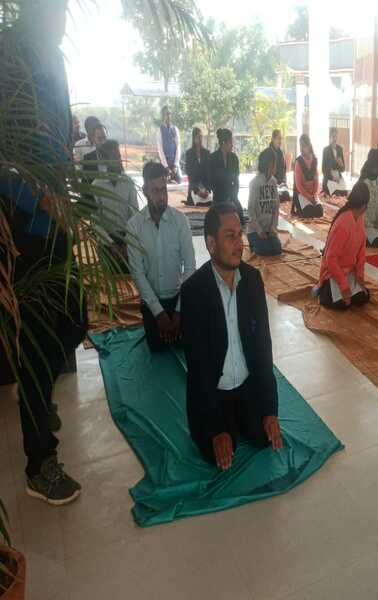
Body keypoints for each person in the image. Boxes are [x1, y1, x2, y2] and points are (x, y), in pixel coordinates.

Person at [0, 0, 88, 505]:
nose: (62, 18)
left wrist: (66, 196)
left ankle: (35, 390)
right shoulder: (9, 56)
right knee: (35, 343)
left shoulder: (52, 59)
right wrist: (38, 197)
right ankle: (40, 464)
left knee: (76, 318)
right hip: (23, 227)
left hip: (58, 221)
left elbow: (59, 139)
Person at [181, 203, 283, 469]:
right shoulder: (193, 292)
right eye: (230, 236)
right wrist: (215, 428)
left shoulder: (252, 280)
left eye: (240, 234)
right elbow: (198, 368)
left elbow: (263, 349)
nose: (240, 244)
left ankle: (246, 416)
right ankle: (220, 424)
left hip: (248, 387)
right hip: (214, 392)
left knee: (263, 438)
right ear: (211, 244)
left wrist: (270, 409)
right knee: (215, 453)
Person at [127, 162, 196, 353]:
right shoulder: (134, 226)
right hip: (152, 302)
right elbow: (138, 274)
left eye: (163, 189)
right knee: (157, 347)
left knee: (184, 344)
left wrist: (179, 311)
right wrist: (159, 314)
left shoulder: (180, 221)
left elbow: (190, 267)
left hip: (178, 298)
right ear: (145, 191)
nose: (162, 196)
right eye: (155, 191)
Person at [316, 182, 370, 310]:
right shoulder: (343, 224)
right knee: (342, 305)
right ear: (364, 206)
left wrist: (360, 277)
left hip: (349, 272)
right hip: (333, 274)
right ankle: (321, 289)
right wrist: (344, 286)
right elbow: (331, 259)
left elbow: (361, 252)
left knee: (363, 298)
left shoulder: (359, 218)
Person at [91, 139, 139, 271]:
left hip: (127, 237)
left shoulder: (128, 182)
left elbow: (135, 215)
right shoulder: (97, 185)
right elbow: (95, 222)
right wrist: (111, 244)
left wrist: (127, 242)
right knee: (111, 272)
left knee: (132, 271)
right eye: (115, 157)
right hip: (107, 240)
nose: (119, 160)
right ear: (105, 160)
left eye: (119, 156)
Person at [247, 148, 282, 256]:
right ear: (269, 164)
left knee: (277, 249)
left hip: (268, 230)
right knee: (264, 250)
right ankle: (253, 243)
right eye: (274, 163)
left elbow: (276, 207)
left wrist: (273, 227)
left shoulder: (273, 182)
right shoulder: (255, 183)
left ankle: (261, 243)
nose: (276, 165)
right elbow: (251, 209)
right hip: (255, 230)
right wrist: (259, 230)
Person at [209, 128, 244, 219]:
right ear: (224, 143)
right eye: (231, 142)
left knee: (240, 219)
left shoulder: (234, 158)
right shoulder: (213, 158)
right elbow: (211, 181)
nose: (232, 145)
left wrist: (233, 196)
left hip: (232, 196)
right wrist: (221, 196)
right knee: (217, 220)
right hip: (218, 197)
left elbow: (236, 180)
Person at [360, 151, 378, 247]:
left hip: (375, 223)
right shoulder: (363, 183)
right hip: (364, 223)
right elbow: (361, 209)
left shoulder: (377, 180)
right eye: (377, 165)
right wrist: (371, 224)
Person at [292, 134, 324, 218]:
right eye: (300, 146)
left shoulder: (314, 160)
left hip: (312, 194)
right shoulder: (299, 162)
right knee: (308, 212)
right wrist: (308, 197)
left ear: (309, 145)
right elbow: (298, 186)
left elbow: (316, 181)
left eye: (304, 146)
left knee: (320, 211)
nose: (301, 148)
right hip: (302, 194)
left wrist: (313, 195)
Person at [184, 127, 211, 206]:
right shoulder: (189, 153)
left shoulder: (207, 153)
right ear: (194, 138)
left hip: (205, 187)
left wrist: (206, 189)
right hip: (194, 187)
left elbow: (209, 173)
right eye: (198, 137)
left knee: (208, 202)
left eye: (201, 136)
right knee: (195, 202)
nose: (200, 139)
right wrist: (197, 191)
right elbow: (189, 174)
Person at [157, 105, 182, 184]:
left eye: (169, 114)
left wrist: (175, 165)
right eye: (166, 114)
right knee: (164, 181)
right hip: (165, 164)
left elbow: (178, 147)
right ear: (163, 116)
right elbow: (160, 150)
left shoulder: (175, 129)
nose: (168, 116)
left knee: (179, 180)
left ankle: (172, 176)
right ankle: (168, 177)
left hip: (174, 163)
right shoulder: (160, 130)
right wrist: (166, 167)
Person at [321, 127, 347, 196]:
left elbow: (343, 169)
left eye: (336, 136)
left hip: (338, 177)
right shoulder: (325, 150)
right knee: (335, 192)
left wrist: (341, 164)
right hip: (329, 177)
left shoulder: (340, 149)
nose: (334, 139)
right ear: (329, 137)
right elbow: (323, 169)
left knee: (344, 192)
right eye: (333, 136)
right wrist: (333, 178)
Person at [268, 129, 290, 202]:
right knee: (280, 196)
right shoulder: (268, 153)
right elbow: (267, 176)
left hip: (281, 185)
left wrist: (284, 182)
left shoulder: (280, 153)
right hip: (271, 185)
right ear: (273, 139)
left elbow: (284, 171)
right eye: (278, 138)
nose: (280, 141)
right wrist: (277, 185)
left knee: (286, 196)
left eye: (281, 138)